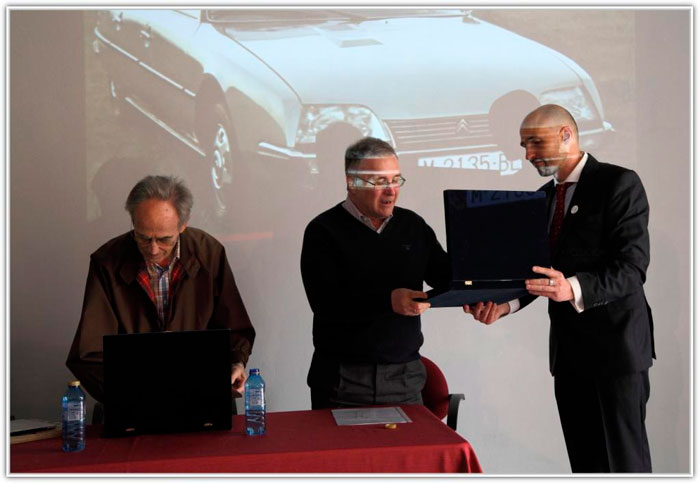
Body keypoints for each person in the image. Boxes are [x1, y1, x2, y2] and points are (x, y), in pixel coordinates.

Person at [465, 104, 655, 473]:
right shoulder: (544, 197)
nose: (527, 154)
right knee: (585, 466)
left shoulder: (619, 183)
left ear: (567, 134)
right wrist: (504, 306)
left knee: (623, 465)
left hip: (616, 354)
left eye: (535, 142)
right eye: (523, 145)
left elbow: (632, 268)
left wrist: (572, 287)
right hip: (569, 358)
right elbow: (537, 272)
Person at [66, 175, 255, 403]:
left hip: (204, 399)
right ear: (133, 221)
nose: (153, 250)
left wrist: (236, 362)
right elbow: (88, 354)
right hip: (132, 403)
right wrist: (136, 393)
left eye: (164, 239)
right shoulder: (107, 261)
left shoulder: (209, 253)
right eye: (143, 238)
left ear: (183, 225)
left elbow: (235, 327)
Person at [300, 137, 450, 409]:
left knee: (408, 454)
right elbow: (325, 303)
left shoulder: (413, 226)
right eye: (379, 182)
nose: (391, 191)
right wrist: (388, 301)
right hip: (342, 381)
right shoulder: (323, 231)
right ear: (351, 183)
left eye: (395, 179)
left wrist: (480, 293)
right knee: (344, 454)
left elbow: (446, 277)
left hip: (405, 378)